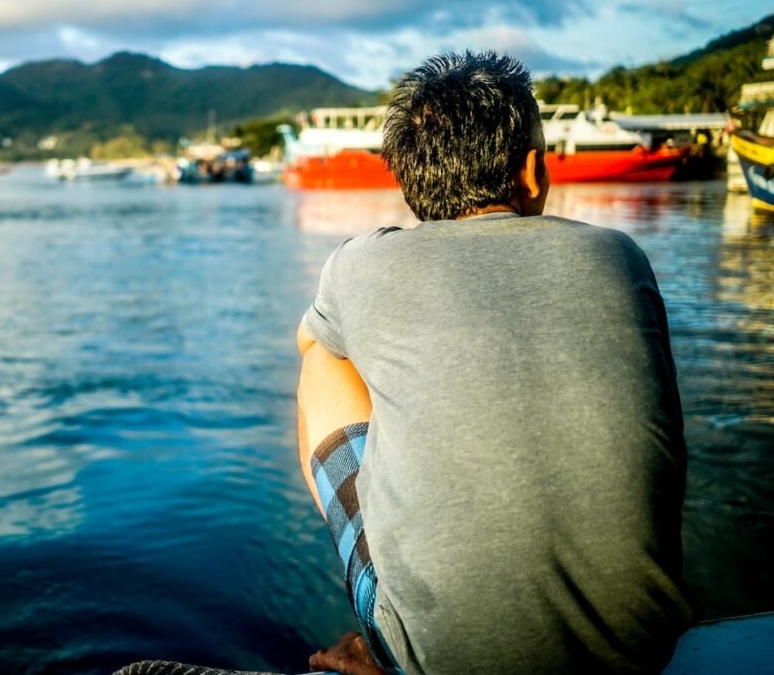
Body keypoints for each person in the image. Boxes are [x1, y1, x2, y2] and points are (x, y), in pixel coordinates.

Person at [295, 51, 694, 674]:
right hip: (642, 652)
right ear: (534, 171)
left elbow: (309, 348)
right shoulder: (620, 254)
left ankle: (388, 639)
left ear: (407, 181)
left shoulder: (360, 262)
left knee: (324, 357)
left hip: (443, 662)